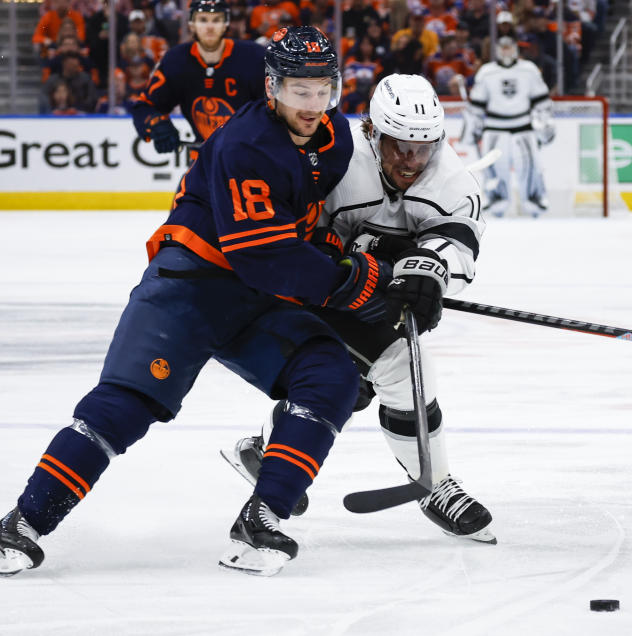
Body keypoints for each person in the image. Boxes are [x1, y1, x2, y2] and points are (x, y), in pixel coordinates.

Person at [0, 26, 390, 578]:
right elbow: (263, 253)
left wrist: (392, 264)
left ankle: (262, 518)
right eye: (298, 91)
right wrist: (351, 282)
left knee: (331, 375)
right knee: (123, 408)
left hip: (255, 298)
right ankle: (22, 525)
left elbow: (313, 221)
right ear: (271, 88)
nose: (312, 105)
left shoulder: (334, 137)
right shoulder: (247, 145)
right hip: (187, 286)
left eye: (323, 90)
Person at [225, 74, 495, 543]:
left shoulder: (451, 179)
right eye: (399, 146)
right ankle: (273, 455)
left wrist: (428, 268)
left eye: (423, 147)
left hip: (375, 295)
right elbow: (288, 234)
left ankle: (433, 483)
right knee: (342, 381)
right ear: (372, 131)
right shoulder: (335, 157)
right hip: (317, 287)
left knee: (405, 374)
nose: (411, 161)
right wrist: (339, 265)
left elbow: (458, 241)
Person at [130, 0, 266, 156]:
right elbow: (145, 105)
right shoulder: (176, 60)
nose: (209, 27)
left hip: (251, 161)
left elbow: (277, 108)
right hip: (204, 161)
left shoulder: (253, 57)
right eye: (203, 20)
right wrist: (157, 125)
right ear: (191, 24)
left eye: (216, 20)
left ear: (225, 23)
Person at [466, 36, 553, 218]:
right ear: (497, 50)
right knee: (495, 169)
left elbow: (542, 101)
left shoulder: (529, 70)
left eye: (509, 47)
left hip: (523, 127)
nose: (506, 51)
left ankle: (534, 202)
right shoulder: (487, 72)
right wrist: (473, 125)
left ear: (515, 49)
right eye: (502, 47)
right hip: (494, 128)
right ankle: (496, 202)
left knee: (530, 167)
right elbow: (476, 105)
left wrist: (544, 121)